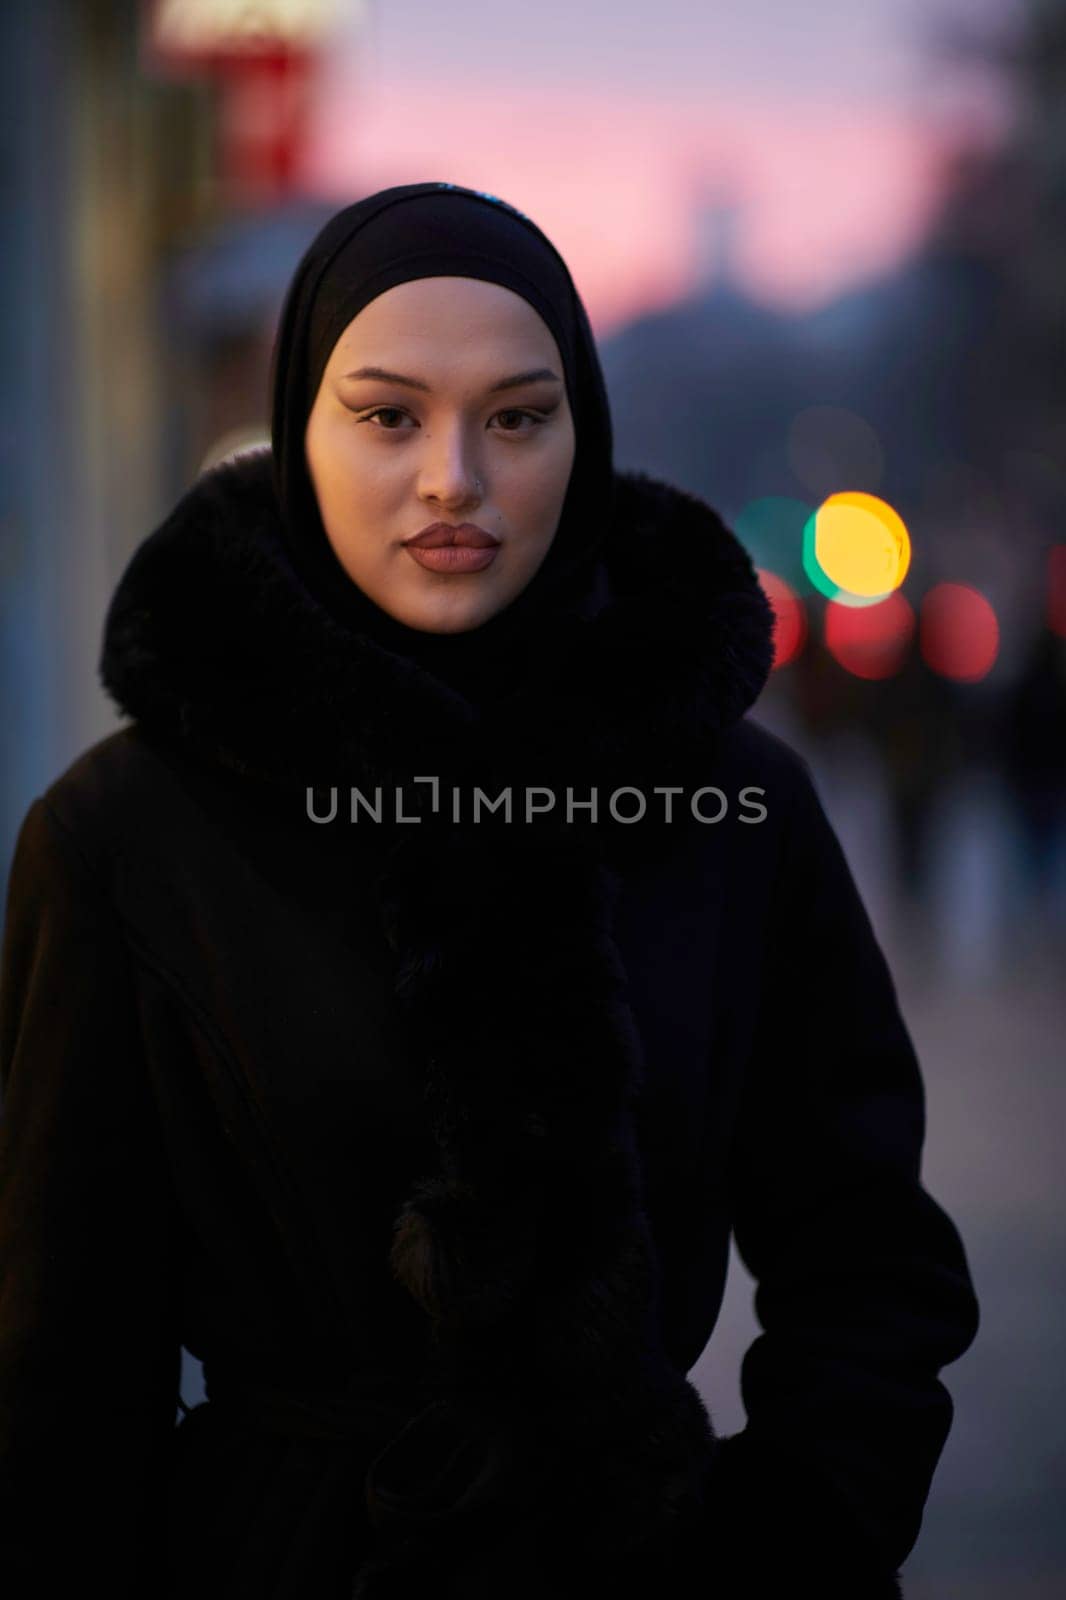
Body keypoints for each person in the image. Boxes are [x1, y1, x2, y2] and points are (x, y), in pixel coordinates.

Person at [0, 181, 979, 1599]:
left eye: (515, 416)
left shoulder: (734, 807)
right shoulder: (127, 834)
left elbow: (867, 1257)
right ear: (299, 435)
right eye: (387, 415)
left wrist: (789, 1543)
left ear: (579, 438)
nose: (452, 476)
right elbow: (58, 1366)